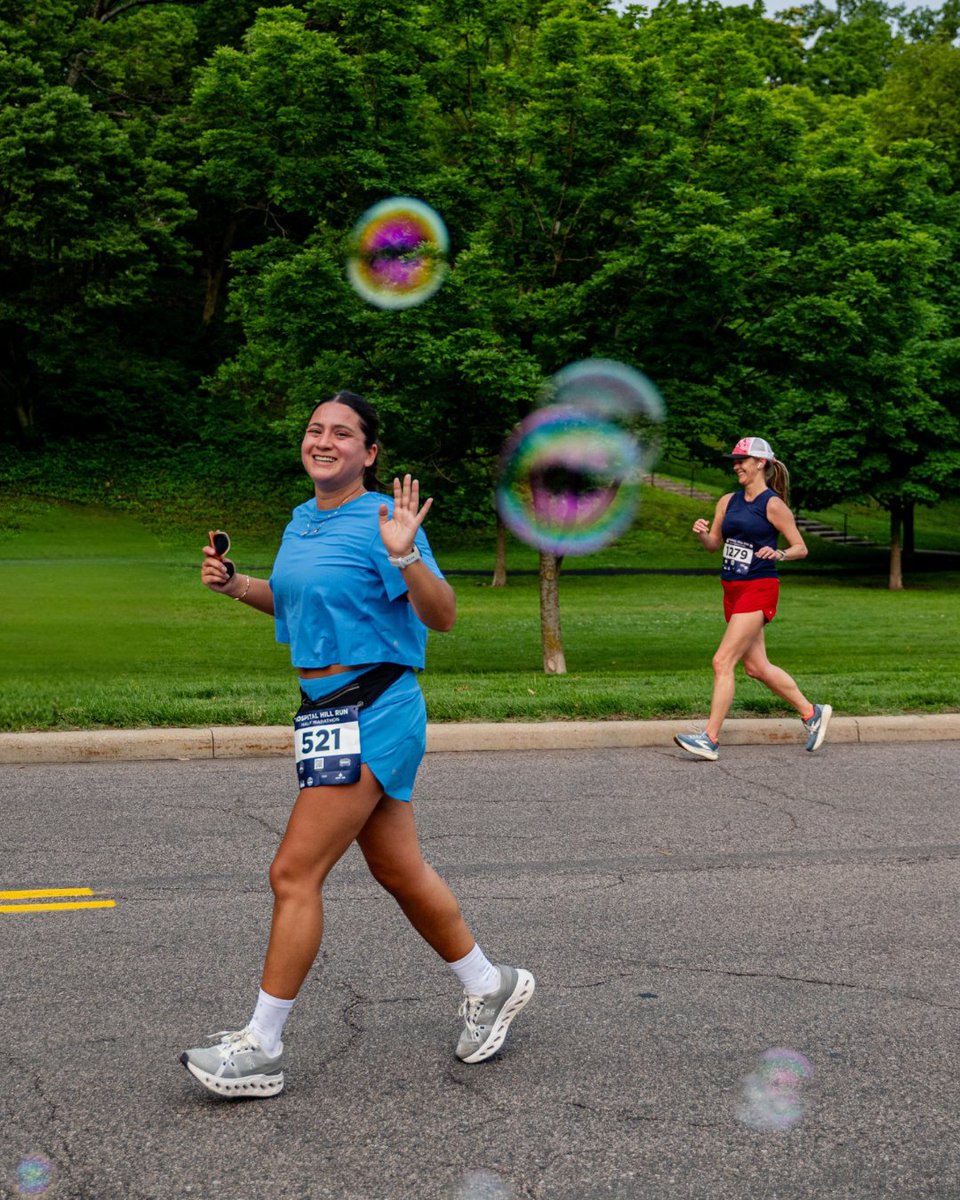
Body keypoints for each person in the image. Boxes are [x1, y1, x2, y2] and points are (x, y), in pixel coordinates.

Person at [181, 391, 534, 1098]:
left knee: (292, 872)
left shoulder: (384, 521)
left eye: (342, 433)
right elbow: (300, 600)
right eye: (316, 430)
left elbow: (444, 615)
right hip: (323, 715)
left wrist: (405, 557)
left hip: (377, 709)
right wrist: (239, 584)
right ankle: (488, 985)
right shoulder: (303, 520)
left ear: (368, 452)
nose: (324, 441)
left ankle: (262, 1047)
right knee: (399, 870)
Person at [673, 436, 832, 762]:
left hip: (758, 588)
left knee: (722, 661)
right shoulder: (727, 501)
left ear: (761, 463)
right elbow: (714, 544)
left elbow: (801, 547)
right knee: (757, 668)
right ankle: (811, 712)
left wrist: (779, 553)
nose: (736, 465)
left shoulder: (773, 505)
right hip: (731, 588)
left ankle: (710, 739)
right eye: (735, 460)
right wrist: (703, 532)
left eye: (742, 460)